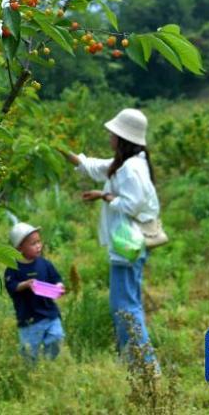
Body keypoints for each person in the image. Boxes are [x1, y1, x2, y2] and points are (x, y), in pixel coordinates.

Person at [61, 108, 160, 368]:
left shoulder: (130, 169)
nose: (109, 136)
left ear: (123, 137)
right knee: (128, 304)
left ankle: (145, 365)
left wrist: (105, 197)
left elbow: (132, 204)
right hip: (129, 244)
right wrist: (67, 154)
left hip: (128, 245)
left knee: (125, 307)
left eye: (113, 133)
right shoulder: (126, 163)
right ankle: (135, 361)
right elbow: (97, 167)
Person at [4, 222, 65, 362]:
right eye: (33, 243)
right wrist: (25, 284)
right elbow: (11, 286)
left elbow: (56, 278)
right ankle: (31, 372)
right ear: (20, 248)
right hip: (29, 318)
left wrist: (59, 286)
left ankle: (48, 364)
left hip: (49, 313)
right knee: (30, 351)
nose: (38, 246)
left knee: (56, 336)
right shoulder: (13, 268)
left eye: (39, 242)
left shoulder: (44, 264)